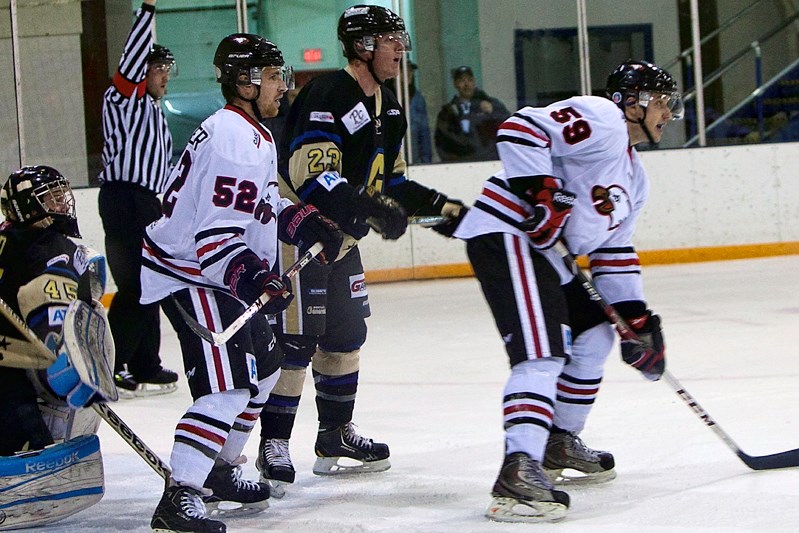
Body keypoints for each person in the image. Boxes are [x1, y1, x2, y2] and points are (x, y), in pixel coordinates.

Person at [452, 60, 681, 522]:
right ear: (631, 101)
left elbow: (612, 252)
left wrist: (636, 320)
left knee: (596, 333)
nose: (668, 113)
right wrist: (542, 190)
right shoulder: (603, 118)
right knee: (542, 353)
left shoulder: (635, 179)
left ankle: (559, 441)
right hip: (509, 233)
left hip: (549, 253)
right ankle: (519, 470)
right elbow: (519, 128)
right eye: (661, 102)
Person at [256, 4, 465, 495]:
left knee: (346, 335)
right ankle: (275, 442)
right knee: (297, 340)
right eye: (390, 39)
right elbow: (314, 177)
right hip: (303, 235)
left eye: (399, 39)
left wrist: (443, 207)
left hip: (343, 239)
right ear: (362, 46)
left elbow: (389, 181)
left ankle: (334, 437)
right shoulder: (327, 92)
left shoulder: (388, 105)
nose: (399, 47)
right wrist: (371, 207)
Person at [140, 33, 342, 533]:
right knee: (227, 387)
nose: (283, 87)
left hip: (215, 268)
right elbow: (214, 237)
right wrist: (251, 277)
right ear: (245, 82)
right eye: (274, 77)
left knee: (267, 368)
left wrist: (302, 221)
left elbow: (260, 204)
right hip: (192, 273)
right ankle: (180, 493)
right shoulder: (231, 137)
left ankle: (219, 470)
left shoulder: (253, 132)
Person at [0, 165, 114, 528]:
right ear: (28, 208)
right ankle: (27, 452)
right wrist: (69, 356)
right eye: (50, 198)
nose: (61, 204)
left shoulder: (8, 237)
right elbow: (49, 308)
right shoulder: (51, 246)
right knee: (14, 382)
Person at [98, 0, 178, 397]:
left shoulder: (152, 110)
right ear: (140, 72)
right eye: (158, 69)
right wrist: (146, 9)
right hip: (124, 200)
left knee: (152, 283)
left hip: (146, 202)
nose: (165, 76)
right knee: (134, 286)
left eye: (168, 69)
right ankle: (109, 366)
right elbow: (132, 57)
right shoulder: (123, 100)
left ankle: (145, 362)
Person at [434, 65, 510, 162]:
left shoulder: (492, 104)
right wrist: (451, 162)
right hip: (459, 165)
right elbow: (441, 142)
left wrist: (492, 112)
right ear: (455, 84)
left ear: (474, 82)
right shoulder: (448, 112)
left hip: (489, 162)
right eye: (462, 81)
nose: (466, 84)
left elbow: (507, 127)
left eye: (469, 80)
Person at [388, 61, 433, 163]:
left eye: (410, 71)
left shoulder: (418, 99)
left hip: (415, 161)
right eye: (404, 70)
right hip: (390, 163)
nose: (409, 74)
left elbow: (424, 133)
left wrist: (425, 162)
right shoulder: (384, 96)